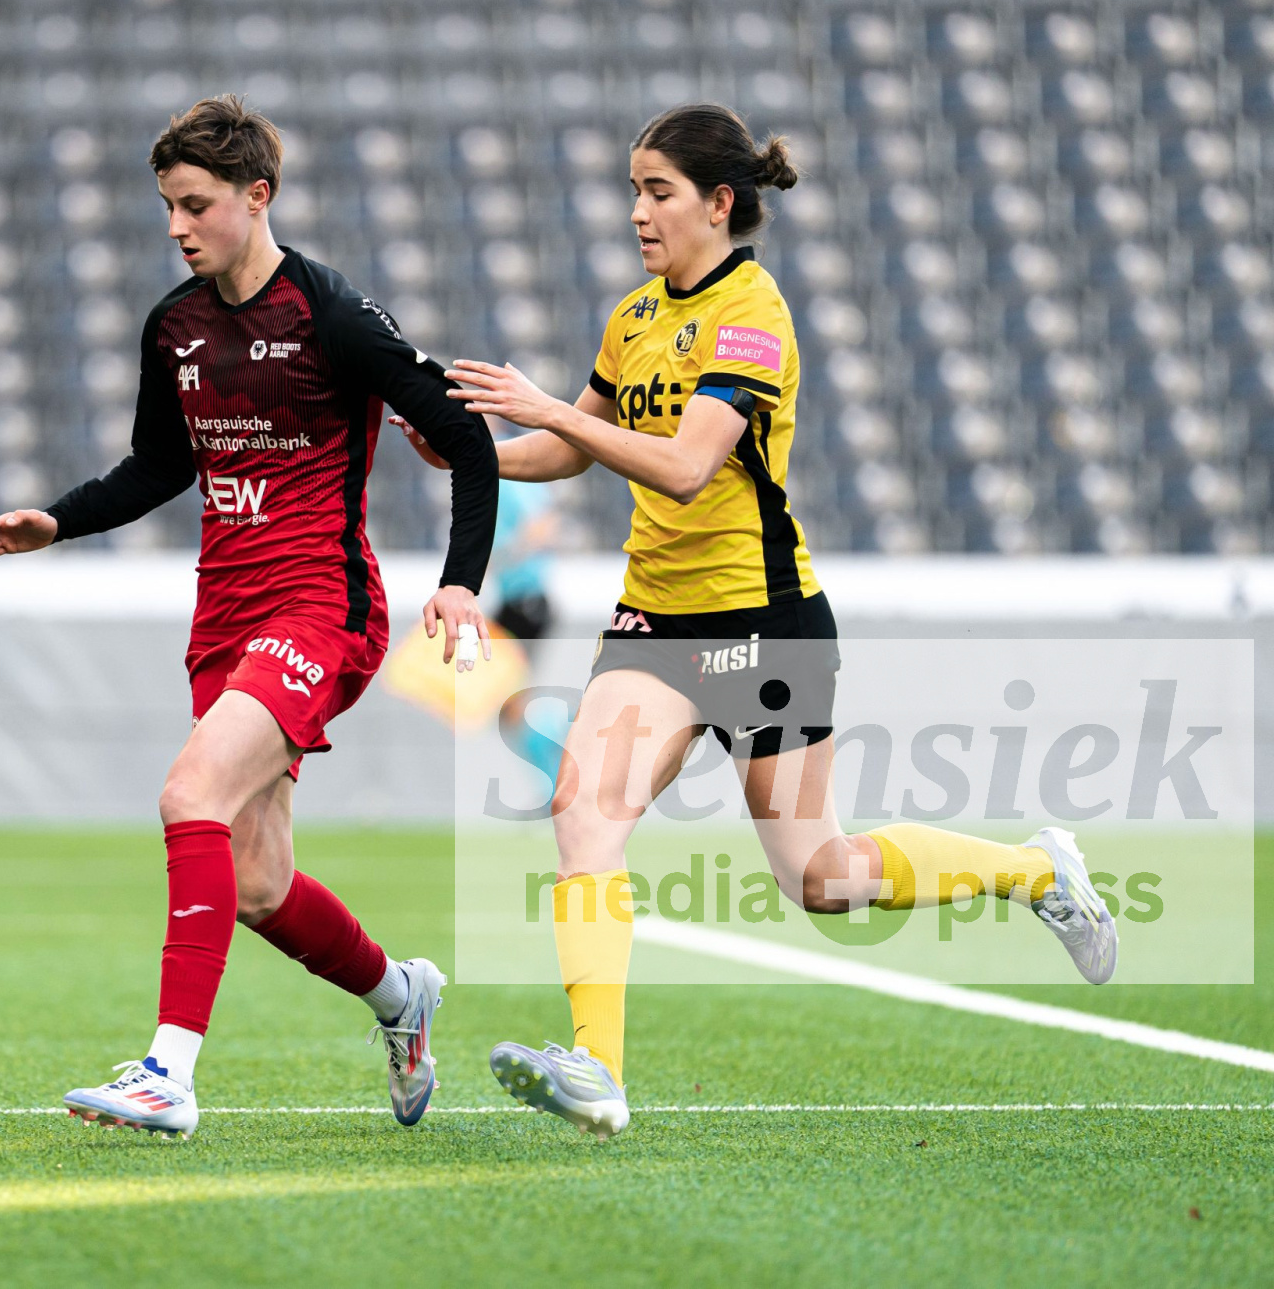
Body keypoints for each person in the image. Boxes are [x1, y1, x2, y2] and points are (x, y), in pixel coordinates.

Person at [395, 102, 1117, 1139]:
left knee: (820, 877)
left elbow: (687, 468)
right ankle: (598, 1068)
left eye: (658, 191)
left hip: (766, 626)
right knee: (582, 811)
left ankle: (1034, 869)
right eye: (634, 190)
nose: (637, 211)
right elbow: (578, 445)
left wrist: (543, 406)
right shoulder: (633, 317)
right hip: (655, 623)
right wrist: (479, 452)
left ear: (717, 202)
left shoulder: (751, 314)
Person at [0, 95, 500, 1138]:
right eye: (168, 205)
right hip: (224, 618)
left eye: (195, 204)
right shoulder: (174, 326)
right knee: (256, 881)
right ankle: (402, 997)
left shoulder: (332, 315)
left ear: (258, 196)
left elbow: (466, 441)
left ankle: (168, 1072)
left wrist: (460, 579)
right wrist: (55, 522)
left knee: (188, 794)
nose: (177, 226)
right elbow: (159, 465)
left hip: (322, 606)